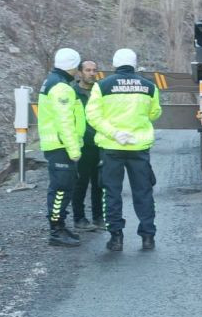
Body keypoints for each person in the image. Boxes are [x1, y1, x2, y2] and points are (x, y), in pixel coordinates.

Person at [85, 48, 163, 251]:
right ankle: (148, 237)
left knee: (111, 192)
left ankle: (116, 238)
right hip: (139, 147)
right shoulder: (149, 86)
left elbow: (93, 116)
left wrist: (114, 133)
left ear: (114, 64)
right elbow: (154, 113)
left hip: (112, 147)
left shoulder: (101, 86)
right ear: (135, 64)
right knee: (143, 192)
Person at [37, 48, 84, 248]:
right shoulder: (62, 88)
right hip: (61, 146)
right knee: (61, 190)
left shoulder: (53, 81)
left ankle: (60, 226)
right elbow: (65, 121)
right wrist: (74, 150)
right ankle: (56, 230)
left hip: (56, 144)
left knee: (62, 189)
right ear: (73, 66)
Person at [71, 58, 103, 232]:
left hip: (101, 142)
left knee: (99, 183)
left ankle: (99, 217)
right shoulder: (72, 92)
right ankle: (79, 218)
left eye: (94, 70)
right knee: (81, 182)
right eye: (88, 70)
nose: (92, 73)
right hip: (82, 144)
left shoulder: (101, 91)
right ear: (80, 72)